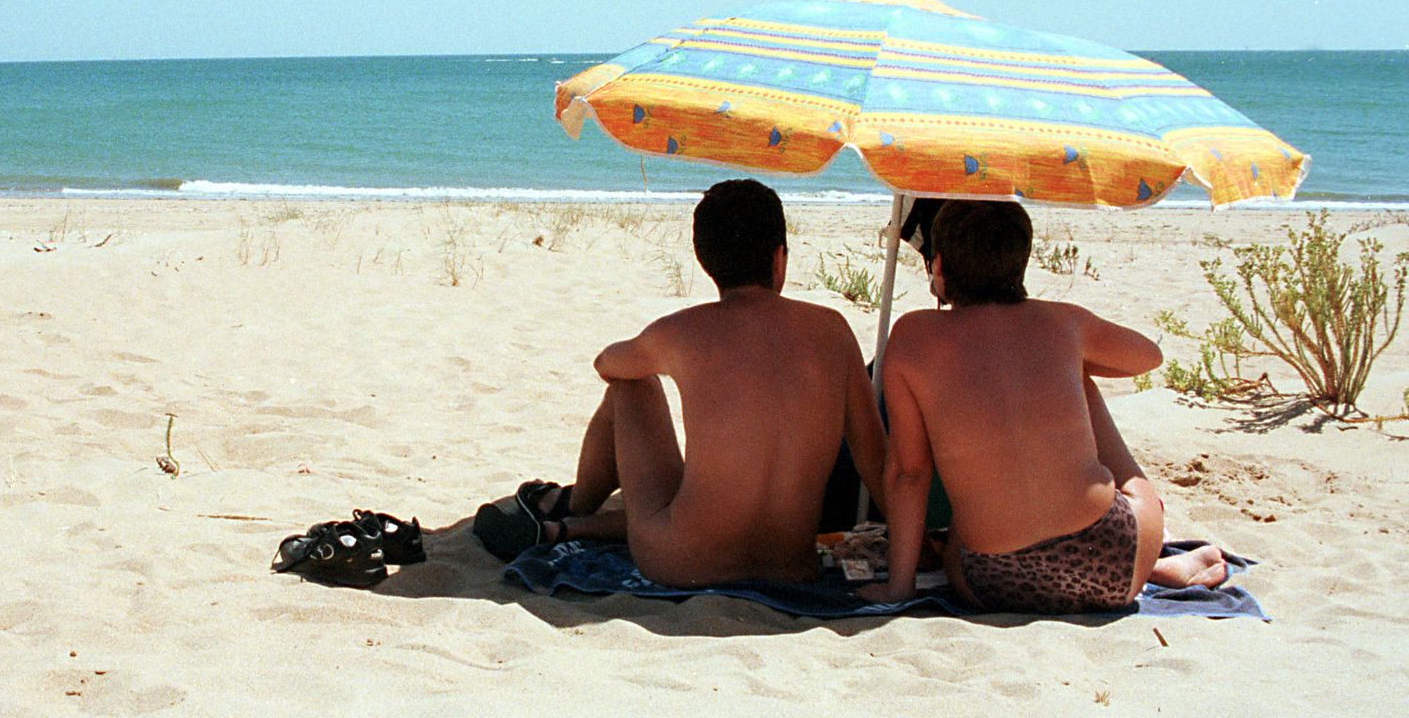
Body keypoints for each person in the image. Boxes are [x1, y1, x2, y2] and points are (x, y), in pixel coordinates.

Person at [473, 178, 886, 587]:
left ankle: (572, 508)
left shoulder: (683, 331)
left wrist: (668, 359)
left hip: (679, 563)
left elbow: (606, 364)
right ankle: (567, 523)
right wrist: (911, 545)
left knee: (632, 385)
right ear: (779, 257)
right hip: (791, 567)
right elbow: (877, 461)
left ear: (705, 260)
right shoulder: (833, 331)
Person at [861, 199, 1218, 613]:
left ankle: (1149, 567)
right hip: (1114, 564)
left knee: (962, 532)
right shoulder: (1063, 322)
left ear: (938, 266)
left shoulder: (913, 336)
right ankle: (1156, 565)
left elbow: (910, 473)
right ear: (1021, 262)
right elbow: (1148, 357)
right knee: (1080, 380)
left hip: (991, 580)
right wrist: (1067, 353)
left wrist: (898, 588)